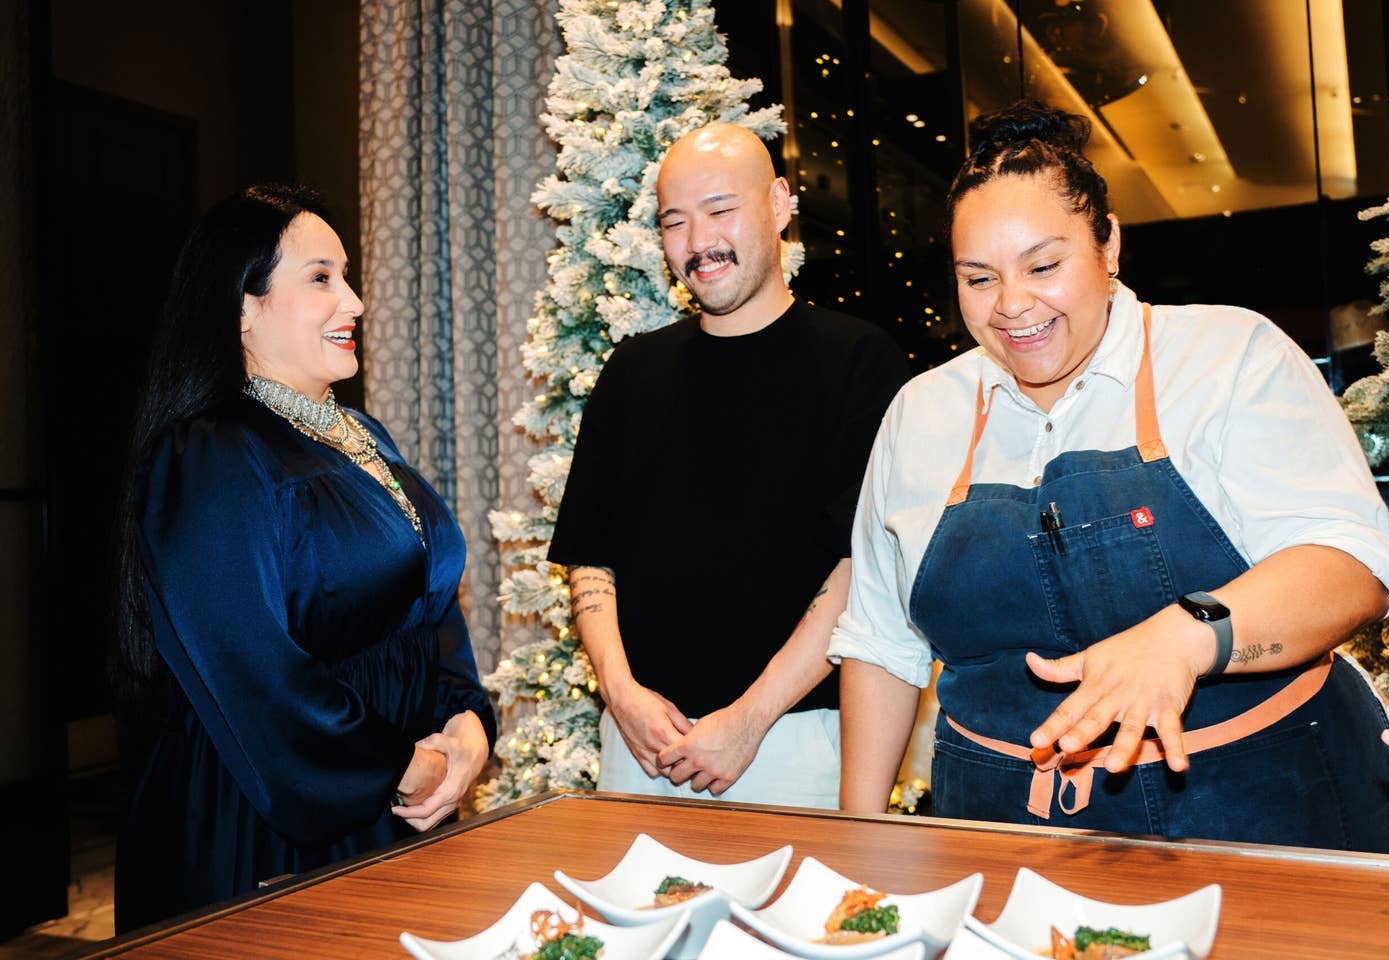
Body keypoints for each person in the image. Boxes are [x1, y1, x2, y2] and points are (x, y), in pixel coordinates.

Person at [830, 100, 1389, 852]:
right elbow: (881, 643)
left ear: (1108, 245)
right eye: (979, 278)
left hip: (1262, 815)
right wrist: (852, 836)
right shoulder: (921, 413)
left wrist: (1186, 637)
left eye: (1044, 266)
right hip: (997, 830)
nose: (1012, 305)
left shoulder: (1225, 357)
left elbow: (1350, 566)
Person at [110, 184, 495, 931]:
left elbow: (430, 599)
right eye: (321, 278)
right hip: (267, 822)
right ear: (244, 307)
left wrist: (466, 718)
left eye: (346, 276)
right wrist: (397, 767)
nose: (352, 301)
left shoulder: (360, 432)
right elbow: (251, 669)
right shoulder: (210, 454)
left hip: (394, 799)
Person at [547, 123, 910, 808]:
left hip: (798, 740)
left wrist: (750, 719)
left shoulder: (861, 362)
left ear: (778, 205)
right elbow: (590, 558)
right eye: (674, 222)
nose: (697, 242)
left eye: (720, 210)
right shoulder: (631, 370)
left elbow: (860, 567)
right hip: (640, 746)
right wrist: (620, 696)